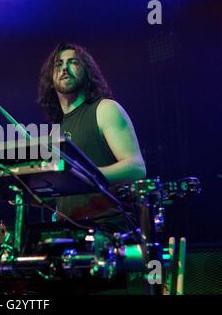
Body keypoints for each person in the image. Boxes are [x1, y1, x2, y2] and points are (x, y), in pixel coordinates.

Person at [37, 43, 146, 234]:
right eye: (58, 64)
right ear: (50, 79)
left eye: (73, 62)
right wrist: (25, 190)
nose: (64, 68)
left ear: (88, 72)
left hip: (109, 230)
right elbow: (59, 190)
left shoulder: (105, 109)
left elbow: (136, 168)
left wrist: (87, 176)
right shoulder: (55, 132)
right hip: (68, 233)